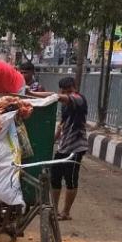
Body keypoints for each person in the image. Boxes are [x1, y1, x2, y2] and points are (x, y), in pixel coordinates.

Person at [29, 77, 87, 220]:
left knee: (71, 180)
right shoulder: (66, 105)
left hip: (76, 147)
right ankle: (54, 210)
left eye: (69, 90)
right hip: (63, 147)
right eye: (64, 90)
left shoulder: (79, 99)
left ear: (74, 88)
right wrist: (53, 141)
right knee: (55, 178)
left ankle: (66, 212)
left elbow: (55, 97)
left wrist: (32, 94)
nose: (67, 93)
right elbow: (61, 125)